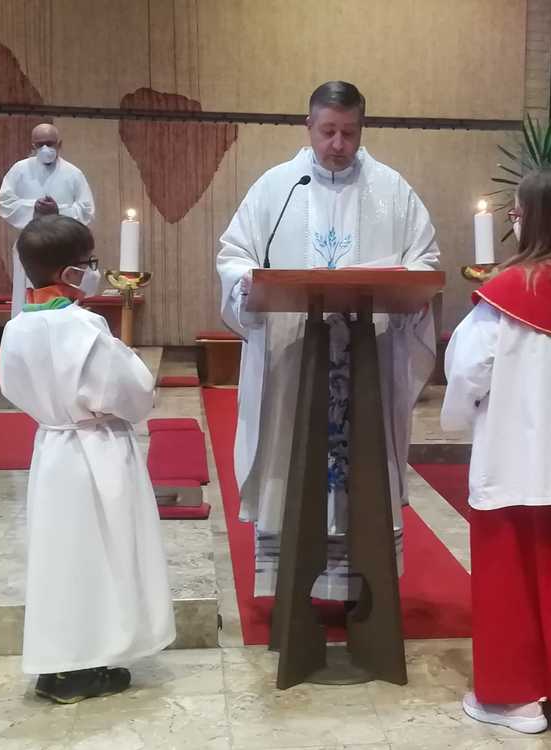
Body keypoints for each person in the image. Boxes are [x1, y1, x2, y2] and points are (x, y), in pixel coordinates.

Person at [216, 81, 440, 601]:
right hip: (294, 358)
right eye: (328, 131)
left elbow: (424, 259)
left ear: (362, 129)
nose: (338, 144)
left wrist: (412, 286)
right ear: (309, 127)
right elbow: (234, 255)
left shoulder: (392, 191)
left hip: (368, 357)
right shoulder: (277, 188)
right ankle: (294, 579)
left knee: (361, 460)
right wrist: (246, 280)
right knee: (292, 454)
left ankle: (359, 583)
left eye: (349, 133)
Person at [442, 168, 551, 734]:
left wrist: (459, 414)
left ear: (537, 220)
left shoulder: (506, 296)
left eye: (516, 214)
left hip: (513, 467)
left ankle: (513, 699)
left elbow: (467, 372)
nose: (513, 223)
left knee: (508, 584)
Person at [0, 215, 175, 704]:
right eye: (89, 263)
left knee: (61, 558)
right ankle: (84, 666)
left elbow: (13, 387)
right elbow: (132, 392)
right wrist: (128, 359)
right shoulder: (82, 326)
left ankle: (56, 665)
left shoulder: (18, 325)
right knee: (100, 556)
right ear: (71, 272)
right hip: (96, 449)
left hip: (53, 449)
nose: (95, 271)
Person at [0, 123, 95, 318]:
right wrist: (34, 208)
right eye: (39, 144)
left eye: (50, 144)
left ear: (60, 144)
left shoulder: (73, 173)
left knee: (61, 300)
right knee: (25, 296)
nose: (45, 149)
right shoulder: (19, 170)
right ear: (32, 145)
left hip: (63, 248)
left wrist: (59, 212)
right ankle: (26, 329)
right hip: (30, 245)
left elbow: (87, 209)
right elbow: (5, 203)